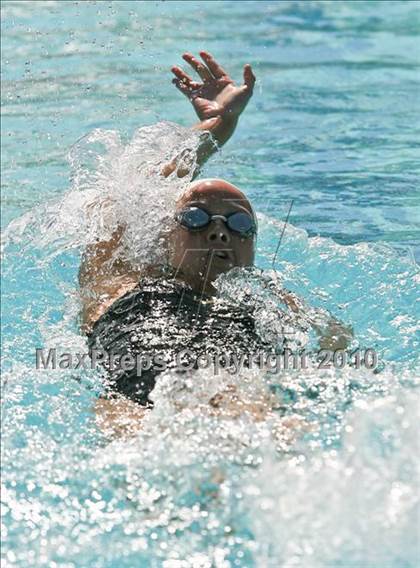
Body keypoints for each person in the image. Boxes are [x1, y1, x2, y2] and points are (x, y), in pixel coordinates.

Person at [79, 52, 351, 436]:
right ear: (164, 233)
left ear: (251, 251)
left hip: (239, 384)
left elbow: (335, 343)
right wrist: (216, 126)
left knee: (266, 425)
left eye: (240, 224)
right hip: (143, 396)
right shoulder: (120, 285)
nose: (220, 232)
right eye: (196, 218)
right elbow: (125, 196)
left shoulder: (268, 301)